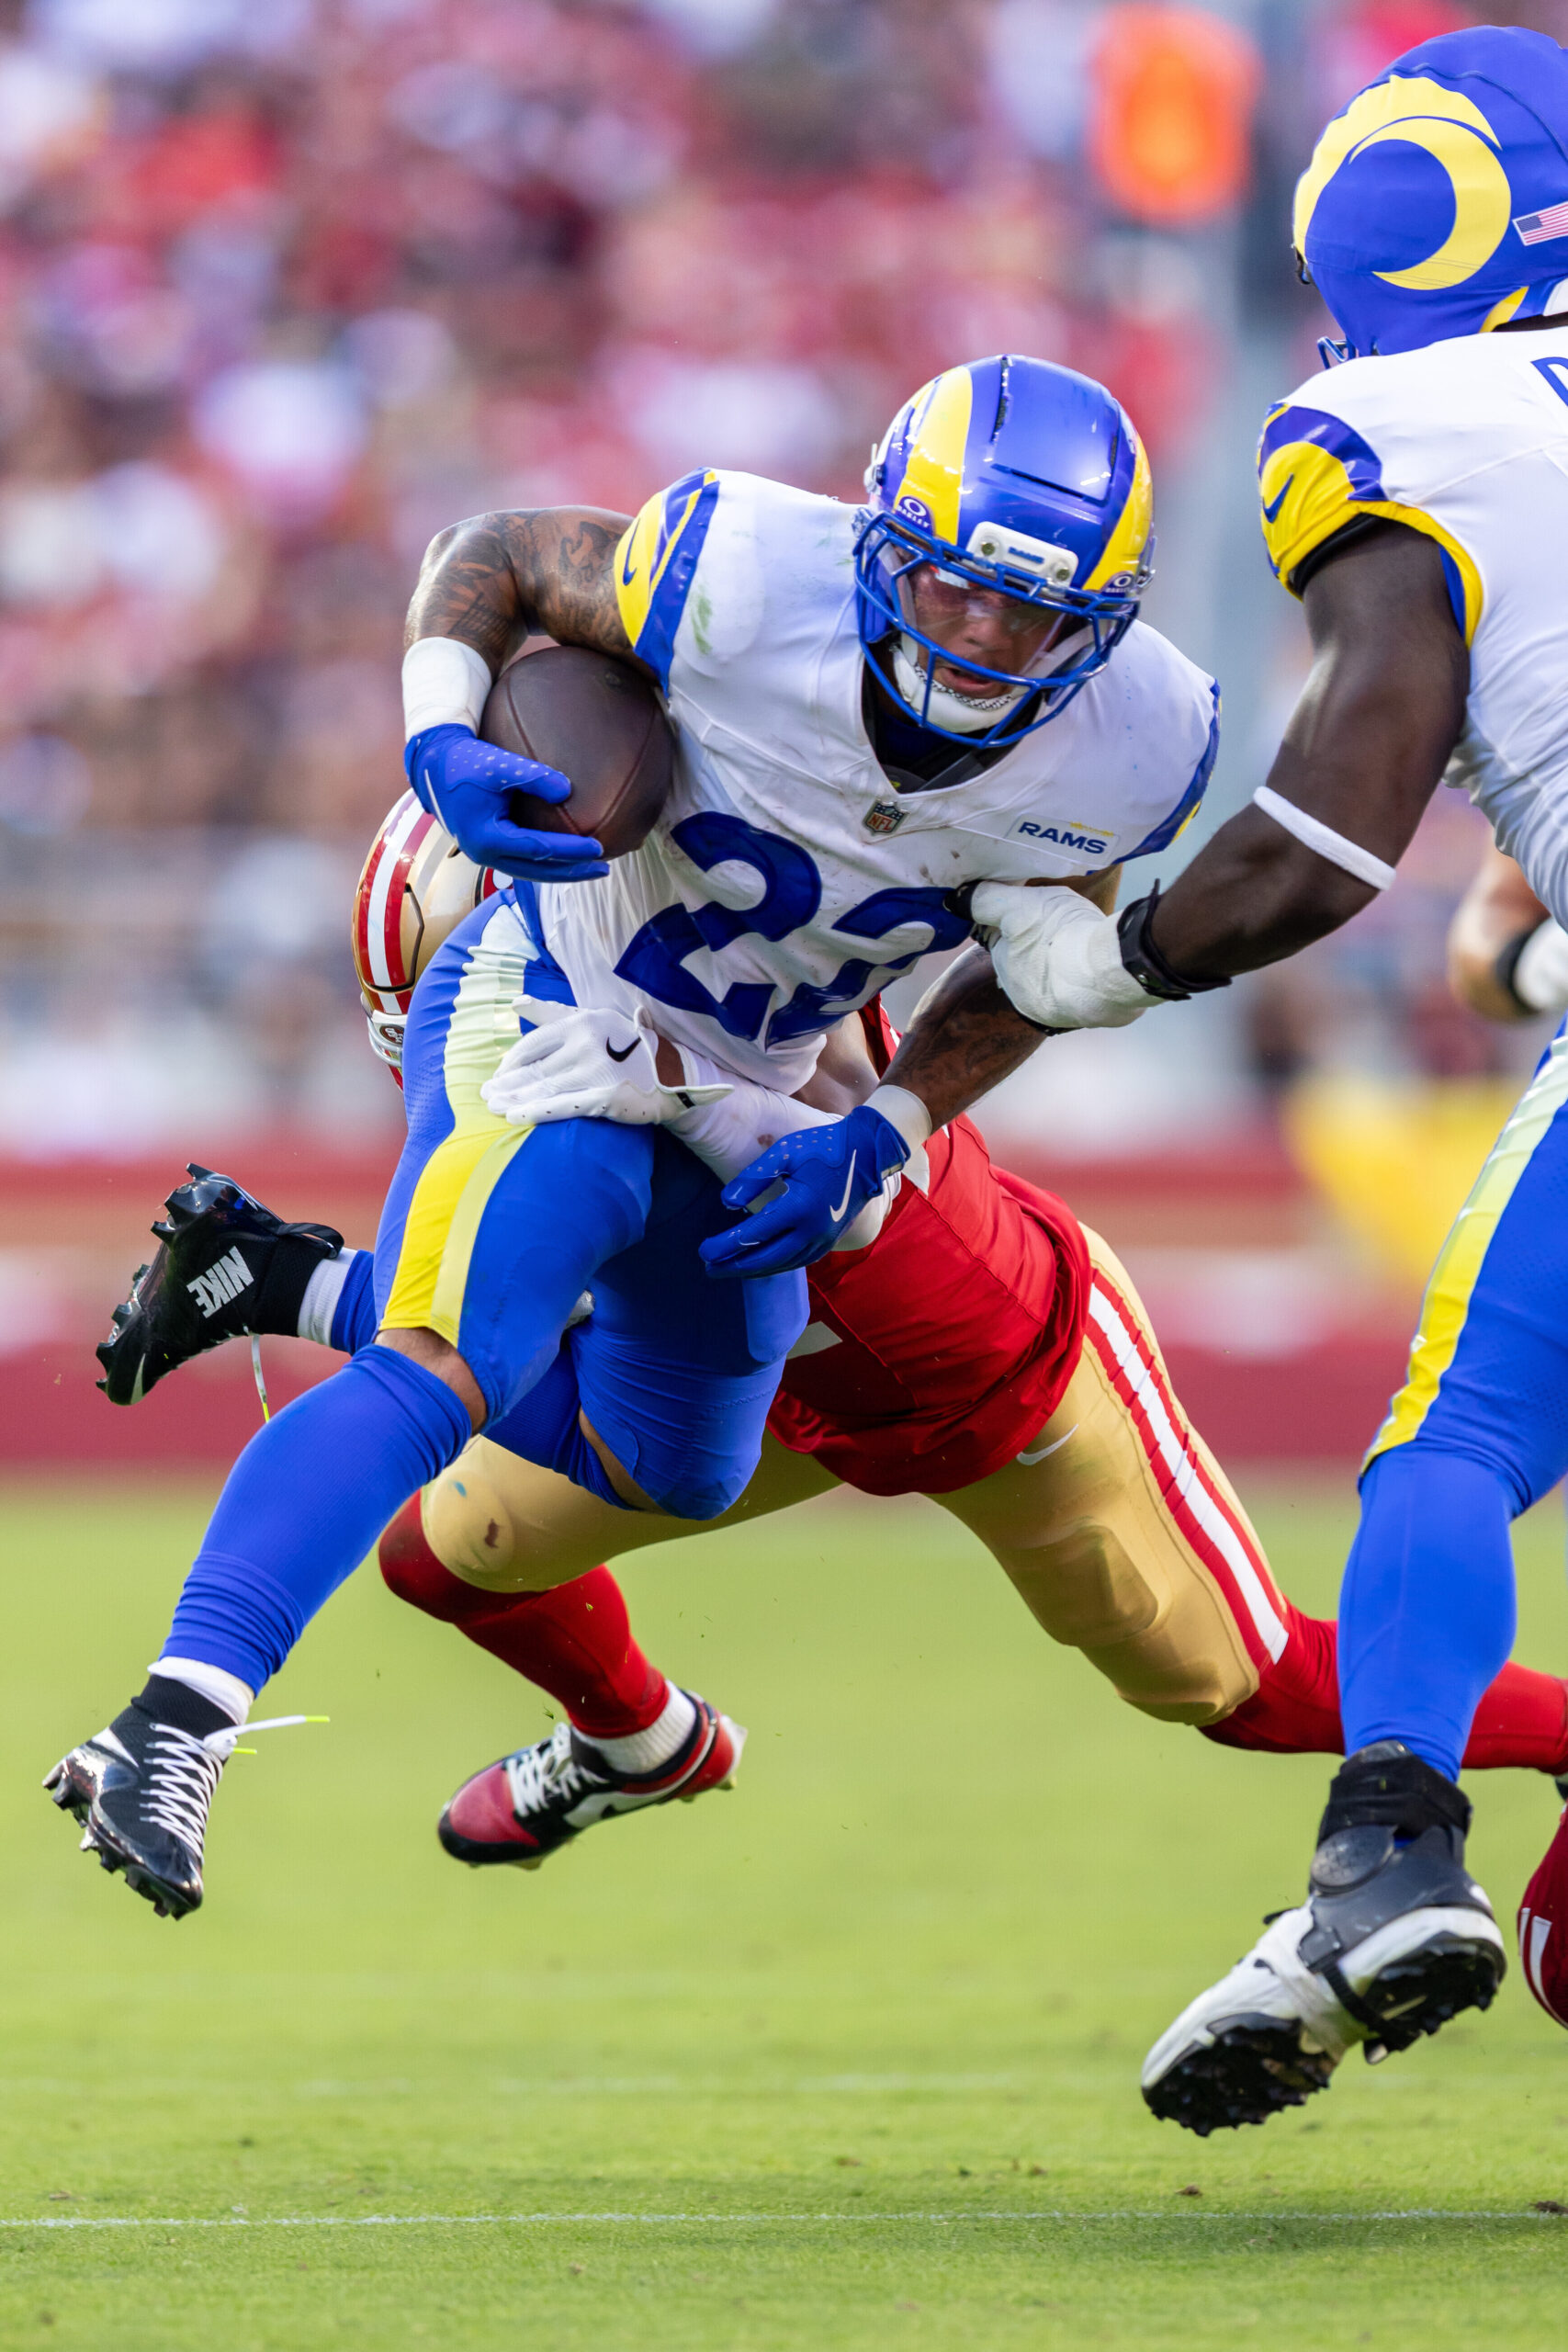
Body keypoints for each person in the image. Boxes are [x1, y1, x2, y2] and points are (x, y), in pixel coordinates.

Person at [51, 353, 1219, 1921]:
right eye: (951, 592)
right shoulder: (736, 569)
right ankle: (175, 1720)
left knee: (673, 1463)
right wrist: (438, 730)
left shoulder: (1139, 741)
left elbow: (1035, 969)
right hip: (564, 1010)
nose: (990, 637)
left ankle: (280, 1281)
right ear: (885, 545)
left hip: (753, 1085)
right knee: (449, 1359)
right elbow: (507, 551)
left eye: (1038, 615)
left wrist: (886, 1126)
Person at [93, 810, 1568, 1878]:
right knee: (450, 1549)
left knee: (1252, 1691)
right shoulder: (559, 1054)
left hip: (990, 1372)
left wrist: (669, 1080)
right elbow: (519, 1322)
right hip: (782, 1398)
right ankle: (641, 1740)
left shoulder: (733, 979)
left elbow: (839, 1170)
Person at [864, 28, 1568, 2132]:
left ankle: (1378, 1848)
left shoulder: (1388, 417)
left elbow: (1335, 819)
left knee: (1453, 1443)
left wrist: (1118, 957)